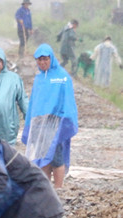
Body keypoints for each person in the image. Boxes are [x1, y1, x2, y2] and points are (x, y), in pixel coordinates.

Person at [22, 43, 78, 188]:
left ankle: (58, 188)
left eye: (45, 59)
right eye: (39, 60)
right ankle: (46, 188)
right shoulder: (39, 78)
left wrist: (65, 121)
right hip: (40, 123)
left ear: (51, 58)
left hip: (55, 123)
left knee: (56, 157)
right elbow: (34, 102)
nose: (42, 62)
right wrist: (30, 123)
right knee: (42, 157)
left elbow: (68, 100)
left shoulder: (62, 77)